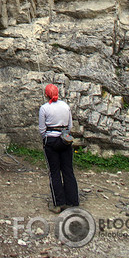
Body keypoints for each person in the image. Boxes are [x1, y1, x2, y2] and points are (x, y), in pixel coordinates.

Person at [39, 83, 79, 213]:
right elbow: (70, 126)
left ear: (46, 94)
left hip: (51, 140)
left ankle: (58, 203)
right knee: (68, 171)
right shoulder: (65, 106)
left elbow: (42, 129)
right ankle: (72, 201)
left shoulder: (44, 108)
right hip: (65, 140)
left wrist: (46, 139)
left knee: (54, 172)